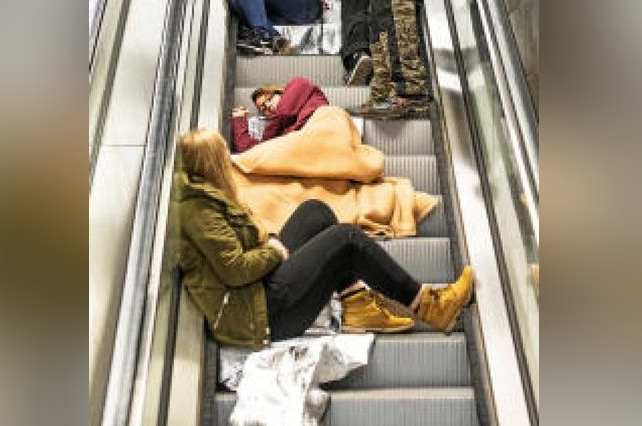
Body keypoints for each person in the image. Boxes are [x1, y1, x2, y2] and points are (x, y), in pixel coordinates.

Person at [174, 128, 474, 348]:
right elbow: (236, 269)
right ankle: (430, 305)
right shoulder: (198, 209)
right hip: (260, 314)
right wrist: (275, 253)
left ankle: (357, 306)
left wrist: (270, 244)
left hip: (257, 293)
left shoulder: (206, 199)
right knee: (347, 238)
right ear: (213, 164)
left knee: (314, 212)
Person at [230, 76, 328, 153]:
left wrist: (270, 133)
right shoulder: (278, 130)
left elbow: (284, 112)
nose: (268, 105)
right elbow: (250, 150)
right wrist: (239, 119)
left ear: (280, 93)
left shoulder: (298, 84)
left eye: (270, 98)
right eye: (263, 108)